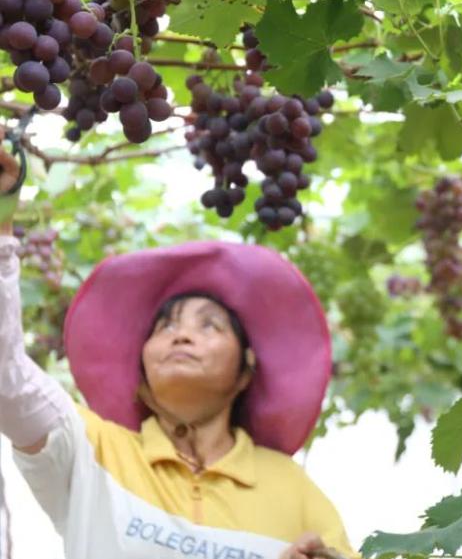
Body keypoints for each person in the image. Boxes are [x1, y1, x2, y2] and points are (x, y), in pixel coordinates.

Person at [0, 132, 360, 559]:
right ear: (142, 370)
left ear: (246, 371)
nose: (182, 335)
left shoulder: (296, 491)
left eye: (210, 327)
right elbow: (8, 379)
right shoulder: (88, 448)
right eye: (165, 326)